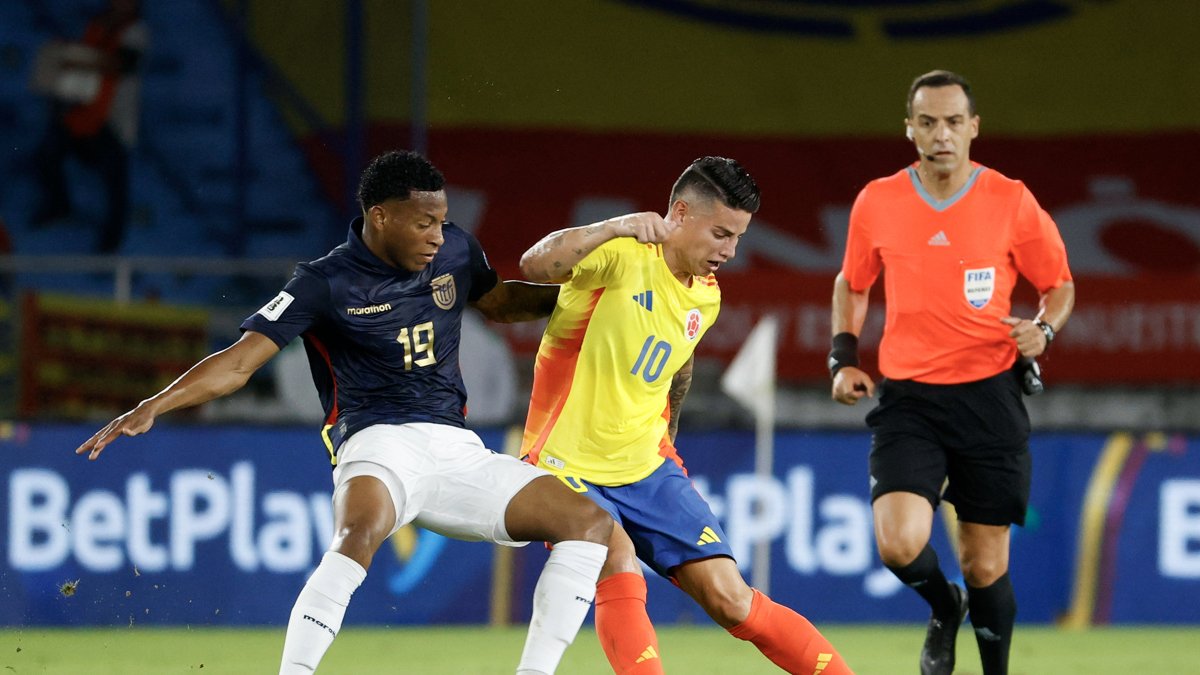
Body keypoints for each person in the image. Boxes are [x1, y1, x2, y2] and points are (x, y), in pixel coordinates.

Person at [76, 150, 613, 675]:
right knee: (359, 533)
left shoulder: (454, 252)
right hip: (376, 441)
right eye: (424, 222)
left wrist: (586, 297)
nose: (436, 235)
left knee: (588, 524)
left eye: (443, 221)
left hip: (457, 448)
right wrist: (151, 406)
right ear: (380, 216)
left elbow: (498, 302)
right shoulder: (323, 282)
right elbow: (239, 363)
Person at [519, 157, 852, 675]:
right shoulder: (623, 253)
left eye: (738, 237)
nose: (730, 250)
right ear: (679, 213)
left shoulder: (707, 294)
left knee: (731, 599)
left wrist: (666, 440)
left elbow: (678, 365)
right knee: (617, 558)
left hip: (647, 468)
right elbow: (534, 266)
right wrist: (615, 224)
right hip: (567, 464)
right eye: (721, 233)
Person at [828, 70, 1075, 675]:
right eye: (929, 122)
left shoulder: (1011, 200)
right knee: (898, 543)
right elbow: (852, 284)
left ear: (974, 128)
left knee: (986, 564)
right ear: (910, 128)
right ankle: (944, 608)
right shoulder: (878, 200)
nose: (942, 134)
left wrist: (1042, 331)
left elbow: (1060, 285)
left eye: (954, 122)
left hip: (989, 396)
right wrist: (843, 356)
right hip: (909, 398)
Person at [31, 0, 147, 252]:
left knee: (116, 184)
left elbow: (121, 64)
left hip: (112, 120)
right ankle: (59, 205)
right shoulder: (99, 22)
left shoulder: (135, 30)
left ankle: (110, 245)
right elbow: (80, 59)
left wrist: (79, 60)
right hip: (81, 110)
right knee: (46, 156)